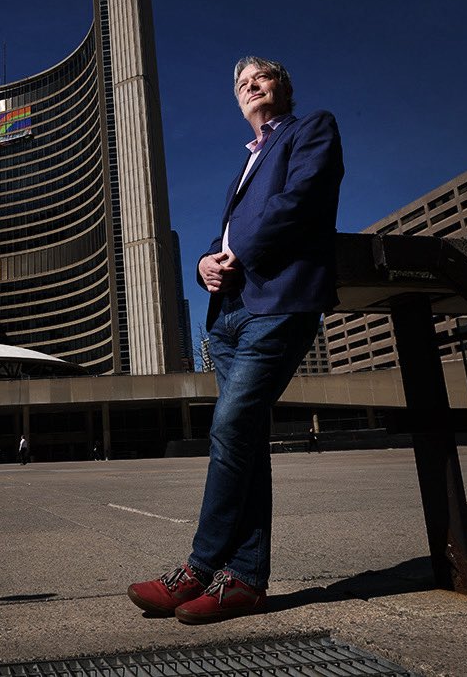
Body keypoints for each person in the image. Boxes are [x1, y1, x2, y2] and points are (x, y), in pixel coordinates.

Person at [128, 56, 344, 625]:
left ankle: (199, 567)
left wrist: (236, 254)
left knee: (229, 426)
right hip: (226, 316)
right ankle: (244, 580)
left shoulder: (312, 127)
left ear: (283, 87)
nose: (251, 88)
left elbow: (299, 201)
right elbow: (223, 236)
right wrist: (204, 263)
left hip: (278, 304)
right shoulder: (242, 167)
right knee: (242, 436)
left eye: (261, 79)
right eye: (242, 84)